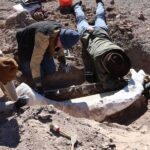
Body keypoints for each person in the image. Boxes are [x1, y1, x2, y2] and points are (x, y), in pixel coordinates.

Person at [72, 0, 131, 91]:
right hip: (87, 34)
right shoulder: (98, 58)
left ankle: (98, 3)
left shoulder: (118, 51)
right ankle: (76, 6)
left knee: (100, 17)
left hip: (101, 31)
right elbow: (107, 84)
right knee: (81, 20)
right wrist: (124, 84)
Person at [16, 21, 80, 89]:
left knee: (51, 71)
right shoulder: (44, 36)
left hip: (41, 46)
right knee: (40, 75)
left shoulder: (61, 33)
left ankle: (40, 56)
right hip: (27, 46)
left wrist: (62, 61)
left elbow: (59, 47)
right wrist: (39, 85)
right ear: (59, 38)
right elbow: (34, 64)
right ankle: (19, 59)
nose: (61, 46)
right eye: (62, 44)